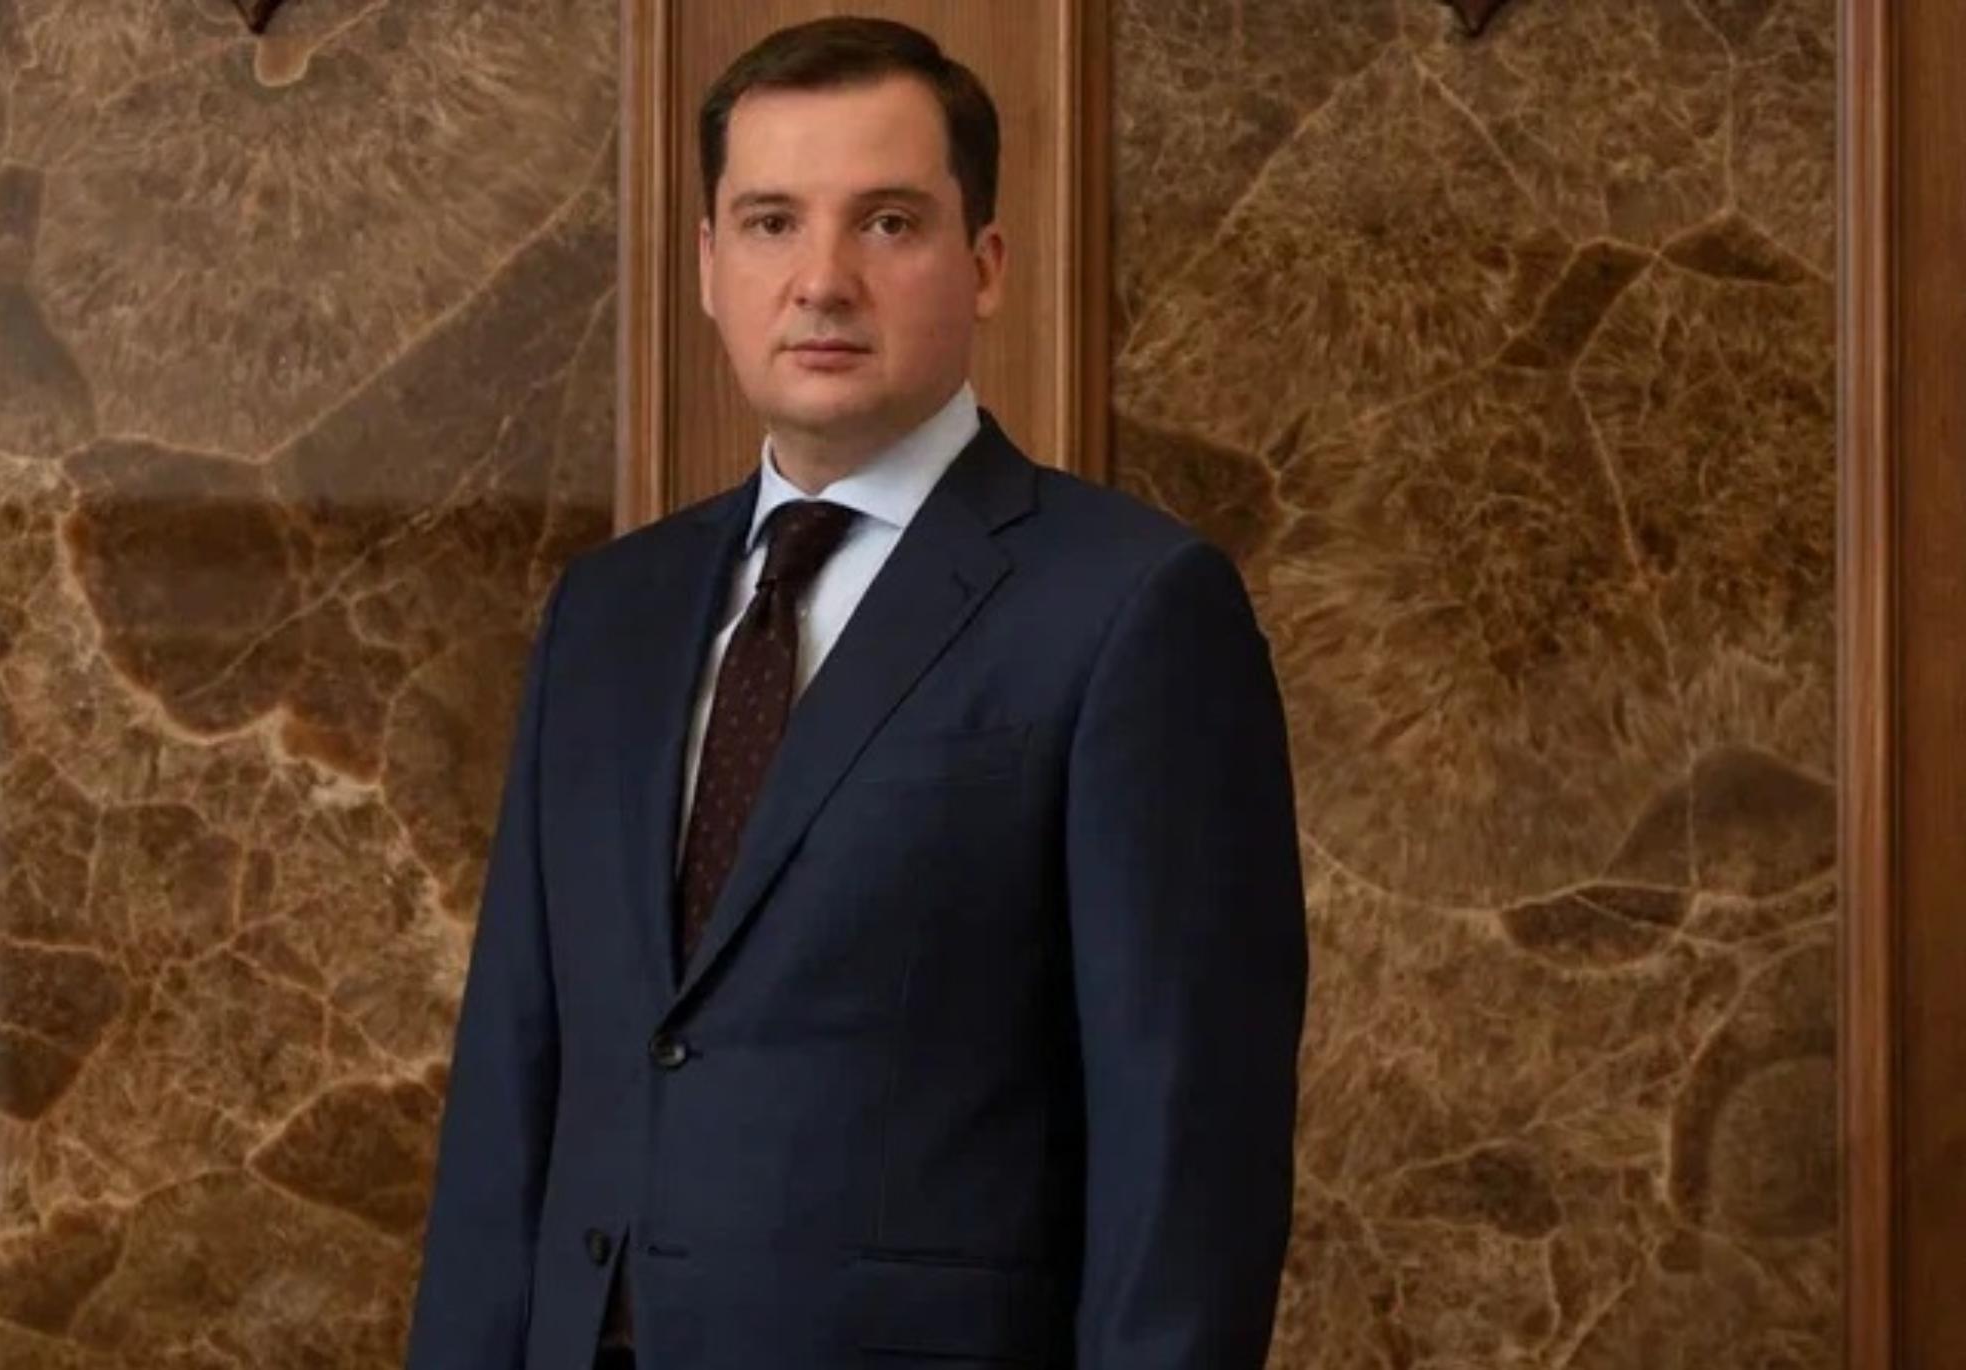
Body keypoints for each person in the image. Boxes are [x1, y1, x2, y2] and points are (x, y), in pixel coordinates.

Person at [404, 17, 1306, 1370]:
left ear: (984, 265)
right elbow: (510, 1088)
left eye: (887, 223)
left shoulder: (1132, 609)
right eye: (770, 222)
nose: (821, 280)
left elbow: (1190, 1143)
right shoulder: (607, 614)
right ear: (707, 264)